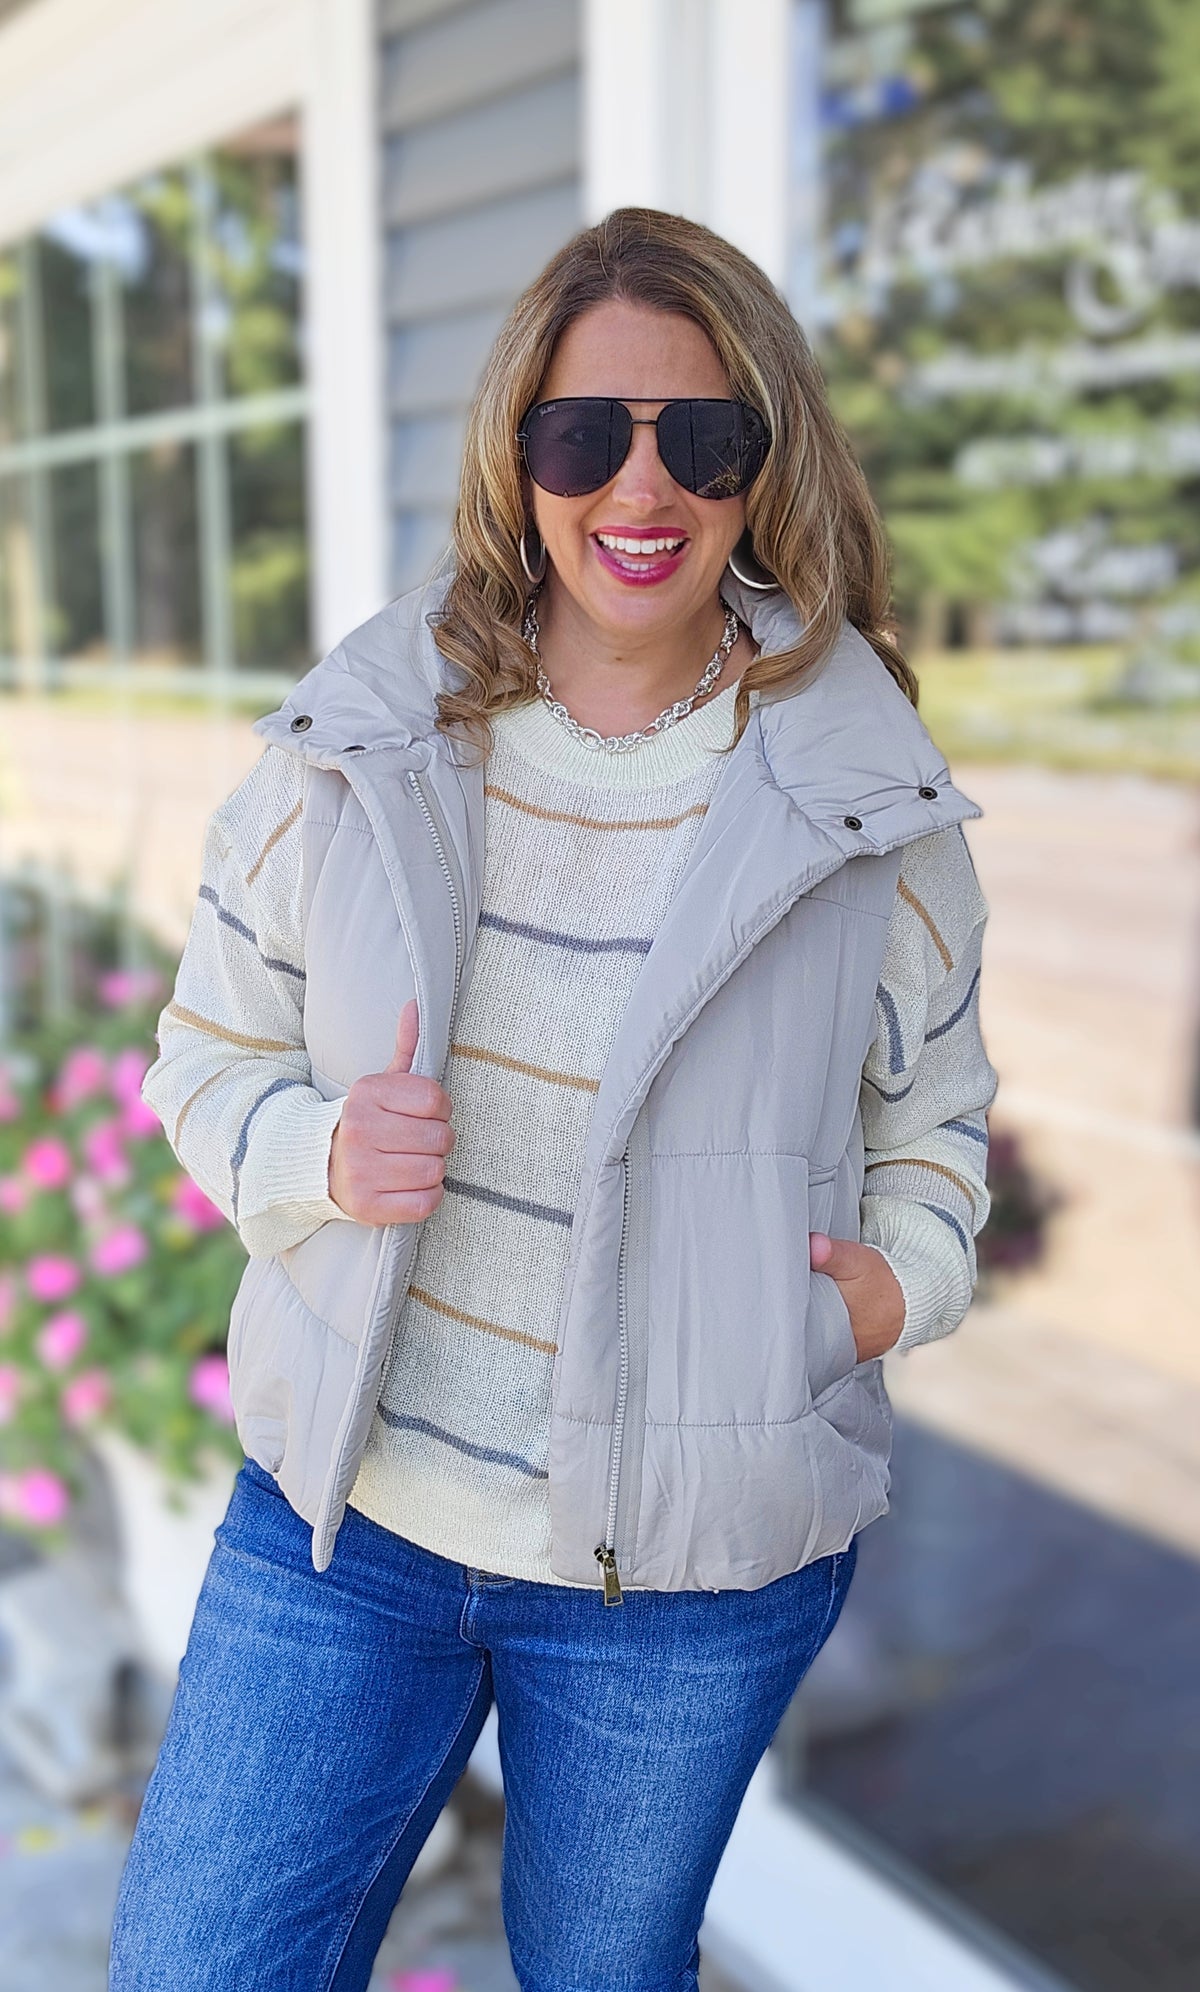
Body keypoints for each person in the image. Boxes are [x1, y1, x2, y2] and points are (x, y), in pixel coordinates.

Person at [109, 207, 997, 1991]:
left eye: (702, 437)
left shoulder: (863, 794)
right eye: (585, 435)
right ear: (518, 457)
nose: (638, 488)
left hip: (681, 1581)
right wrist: (314, 1154)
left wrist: (873, 1298)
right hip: (345, 1519)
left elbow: (940, 1140)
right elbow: (205, 1049)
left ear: (766, 460)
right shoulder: (363, 735)